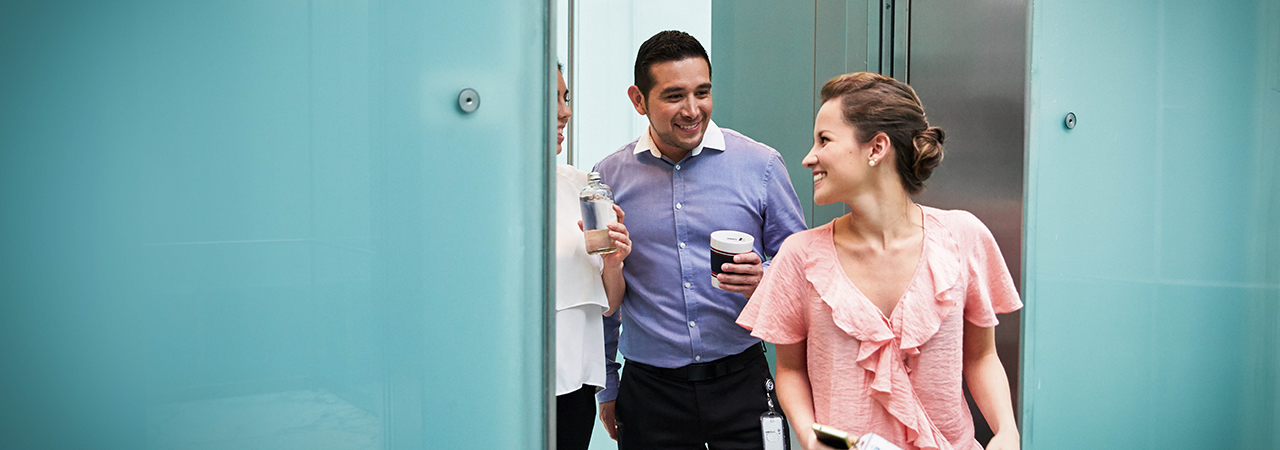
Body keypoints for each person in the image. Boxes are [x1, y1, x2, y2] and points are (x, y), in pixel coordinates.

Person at [736, 72, 1022, 450]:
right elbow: (789, 370)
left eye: (824, 140)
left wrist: (1006, 431)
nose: (809, 158)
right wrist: (807, 436)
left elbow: (982, 356)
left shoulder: (964, 236)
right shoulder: (799, 256)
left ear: (876, 148)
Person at [592, 30, 808, 449]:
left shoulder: (760, 166)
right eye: (674, 96)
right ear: (639, 100)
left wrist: (765, 278)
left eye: (702, 92)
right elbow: (602, 297)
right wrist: (607, 384)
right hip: (650, 393)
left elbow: (806, 273)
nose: (692, 110)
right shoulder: (608, 178)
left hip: (744, 382)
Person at [553, 65, 631, 450]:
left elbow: (610, 303)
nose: (564, 111)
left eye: (565, 98)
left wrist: (614, 261)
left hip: (575, 387)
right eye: (551, 98)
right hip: (508, 384)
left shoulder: (585, 187)